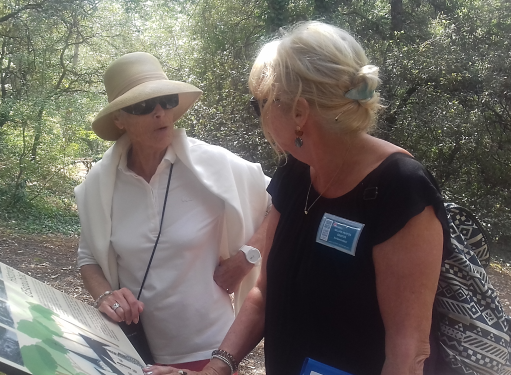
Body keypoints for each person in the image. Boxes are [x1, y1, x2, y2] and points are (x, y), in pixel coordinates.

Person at [145, 21, 450, 375]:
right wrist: (216, 368)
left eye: (260, 104)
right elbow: (263, 293)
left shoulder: (399, 187)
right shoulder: (295, 173)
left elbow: (409, 351)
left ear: (300, 113)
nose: (258, 116)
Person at [74, 52, 272, 371]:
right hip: (132, 349)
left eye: (165, 101)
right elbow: (88, 256)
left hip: (209, 350)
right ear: (119, 120)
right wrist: (105, 295)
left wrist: (247, 256)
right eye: (142, 106)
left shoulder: (210, 165)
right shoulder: (101, 183)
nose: (158, 113)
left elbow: (280, 200)